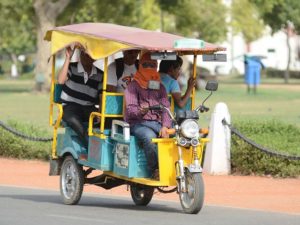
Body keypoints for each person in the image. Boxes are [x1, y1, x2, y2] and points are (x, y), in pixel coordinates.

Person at [124, 52, 172, 180]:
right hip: (137, 123)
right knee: (149, 137)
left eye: (153, 65)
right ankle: (155, 170)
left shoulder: (160, 86)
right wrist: (141, 111)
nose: (150, 68)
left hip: (156, 123)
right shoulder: (132, 86)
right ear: (140, 66)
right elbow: (131, 111)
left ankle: (174, 167)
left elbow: (166, 107)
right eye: (146, 65)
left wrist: (165, 126)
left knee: (177, 135)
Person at [58, 47, 103, 149]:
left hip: (88, 108)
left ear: (94, 58)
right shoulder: (72, 67)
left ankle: (102, 147)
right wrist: (68, 58)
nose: (86, 57)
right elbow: (61, 80)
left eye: (89, 55)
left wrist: (100, 112)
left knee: (106, 121)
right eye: (84, 54)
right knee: (73, 120)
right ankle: (91, 147)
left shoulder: (100, 74)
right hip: (70, 106)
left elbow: (101, 97)